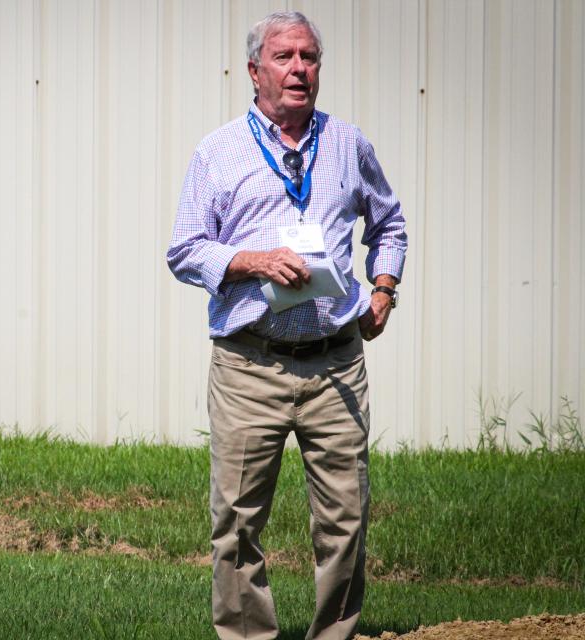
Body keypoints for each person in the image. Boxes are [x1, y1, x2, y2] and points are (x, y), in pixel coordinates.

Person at [166, 11, 408, 640]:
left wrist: (383, 289)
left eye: (309, 57)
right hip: (251, 364)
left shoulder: (349, 144)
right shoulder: (217, 152)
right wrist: (252, 260)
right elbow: (185, 250)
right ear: (255, 71)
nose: (299, 68)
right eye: (284, 57)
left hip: (337, 363)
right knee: (238, 525)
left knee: (345, 523)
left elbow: (389, 224)